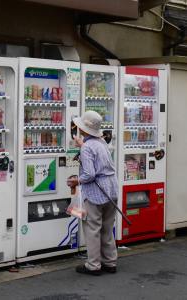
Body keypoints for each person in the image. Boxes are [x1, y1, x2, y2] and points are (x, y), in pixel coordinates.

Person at [67, 110, 118, 276]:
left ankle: (93, 265)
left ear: (82, 130)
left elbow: (89, 174)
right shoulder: (101, 143)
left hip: (95, 193)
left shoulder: (87, 148)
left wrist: (76, 181)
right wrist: (82, 148)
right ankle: (110, 263)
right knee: (107, 228)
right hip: (111, 190)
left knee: (92, 229)